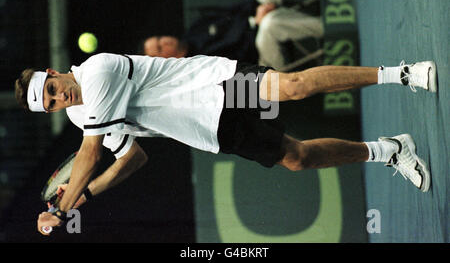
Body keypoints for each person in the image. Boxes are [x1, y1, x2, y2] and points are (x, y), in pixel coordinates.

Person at [15, 53, 437, 235]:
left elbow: (90, 152)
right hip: (207, 128)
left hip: (215, 84)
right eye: (50, 104)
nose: (58, 98)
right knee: (297, 158)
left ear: (54, 73)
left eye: (52, 89)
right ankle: (391, 150)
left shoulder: (96, 71)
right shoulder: (79, 114)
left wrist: (62, 208)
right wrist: (86, 192)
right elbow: (132, 156)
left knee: (291, 86)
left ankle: (400, 73)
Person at [141, 0, 323, 70]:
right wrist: (256, 24)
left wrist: (258, 7)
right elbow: (241, 58)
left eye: (158, 38)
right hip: (262, 59)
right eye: (159, 48)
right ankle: (332, 25)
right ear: (164, 60)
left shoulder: (196, 28)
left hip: (256, 19)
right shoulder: (196, 66)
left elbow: (233, 12)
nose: (164, 41)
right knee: (270, 23)